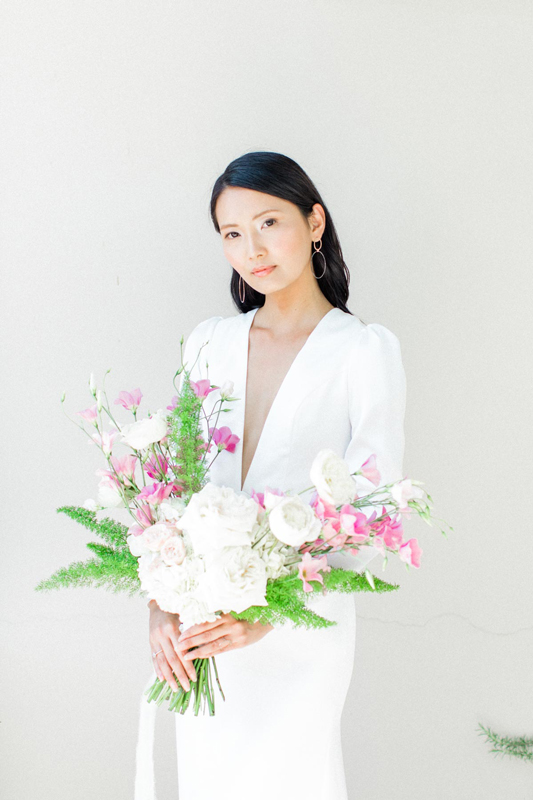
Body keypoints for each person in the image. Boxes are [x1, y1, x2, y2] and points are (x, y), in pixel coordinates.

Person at [136, 151, 406, 799]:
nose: (252, 250)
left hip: (299, 631)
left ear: (314, 222)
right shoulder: (209, 342)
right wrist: (161, 605)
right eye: (232, 233)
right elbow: (174, 488)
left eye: (268, 223)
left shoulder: (362, 351)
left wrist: (270, 614)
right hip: (205, 622)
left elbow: (374, 508)